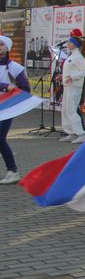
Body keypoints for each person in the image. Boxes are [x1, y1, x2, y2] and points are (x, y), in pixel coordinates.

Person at [0, 35, 30, 184]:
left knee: (0, 138)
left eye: (1, 45)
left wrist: (14, 90)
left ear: (7, 48)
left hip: (7, 108)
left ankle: (12, 171)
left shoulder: (15, 68)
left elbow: (25, 89)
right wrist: (6, 86)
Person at [60, 34, 85, 144]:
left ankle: (80, 134)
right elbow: (70, 70)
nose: (68, 44)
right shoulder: (72, 56)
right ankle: (71, 132)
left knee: (72, 110)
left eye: (70, 42)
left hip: (74, 87)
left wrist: (72, 77)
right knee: (66, 110)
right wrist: (63, 76)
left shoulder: (78, 57)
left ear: (75, 45)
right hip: (67, 86)